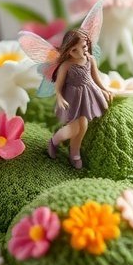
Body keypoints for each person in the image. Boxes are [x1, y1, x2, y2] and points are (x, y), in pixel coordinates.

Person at [47, 28, 112, 168]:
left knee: (83, 127)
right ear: (67, 51)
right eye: (74, 50)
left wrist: (104, 89)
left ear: (87, 44)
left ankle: (74, 153)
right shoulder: (66, 65)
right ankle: (54, 140)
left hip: (88, 93)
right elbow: (58, 86)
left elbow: (96, 77)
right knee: (73, 128)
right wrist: (59, 97)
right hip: (73, 97)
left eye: (83, 47)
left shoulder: (90, 59)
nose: (80, 52)